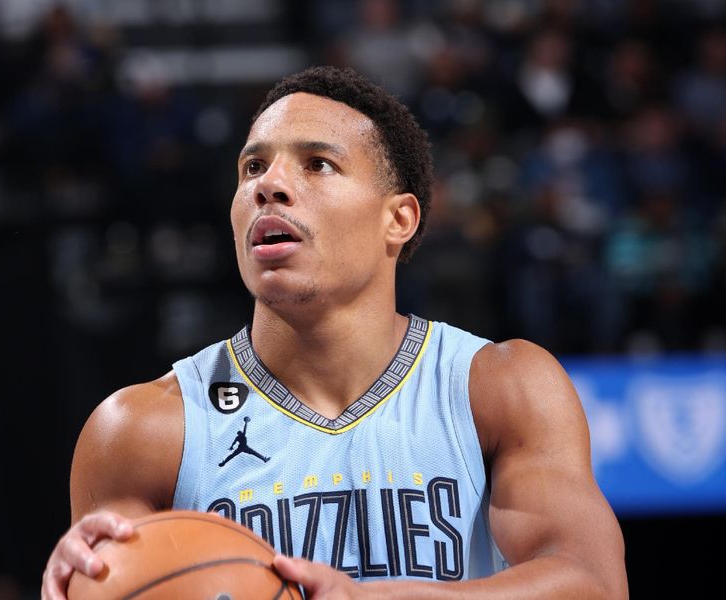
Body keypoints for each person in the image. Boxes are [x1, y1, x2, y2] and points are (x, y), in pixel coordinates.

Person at [42, 66, 627, 599]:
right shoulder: (141, 428)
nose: (268, 186)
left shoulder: (498, 387)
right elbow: (109, 584)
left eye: (317, 163)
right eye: (252, 167)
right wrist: (82, 587)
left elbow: (593, 582)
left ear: (397, 219)